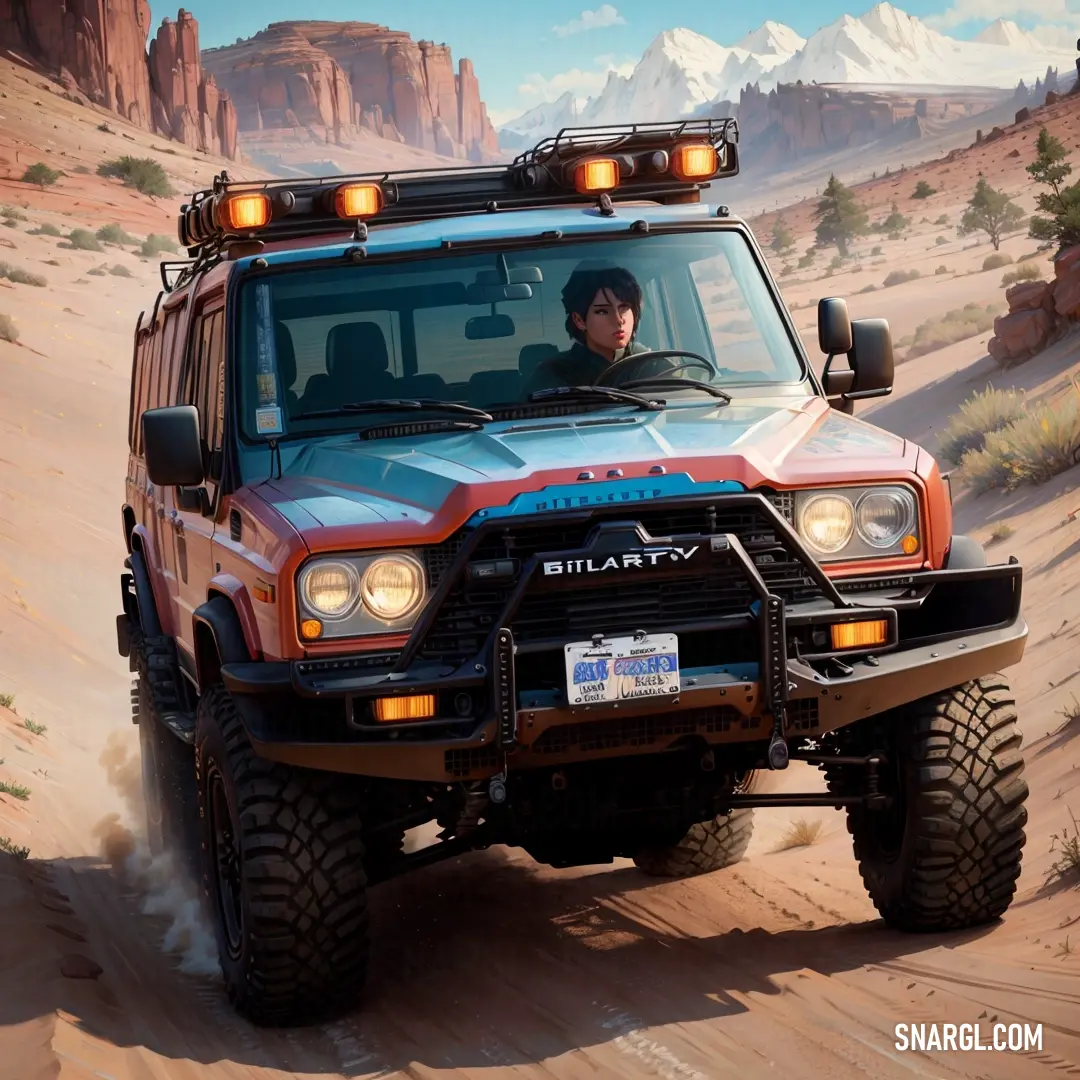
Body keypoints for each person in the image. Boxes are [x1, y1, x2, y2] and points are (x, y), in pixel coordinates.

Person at [522, 263, 659, 396]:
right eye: (602, 311)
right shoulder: (553, 376)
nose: (618, 320)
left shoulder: (651, 364)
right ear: (579, 320)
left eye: (624, 308)